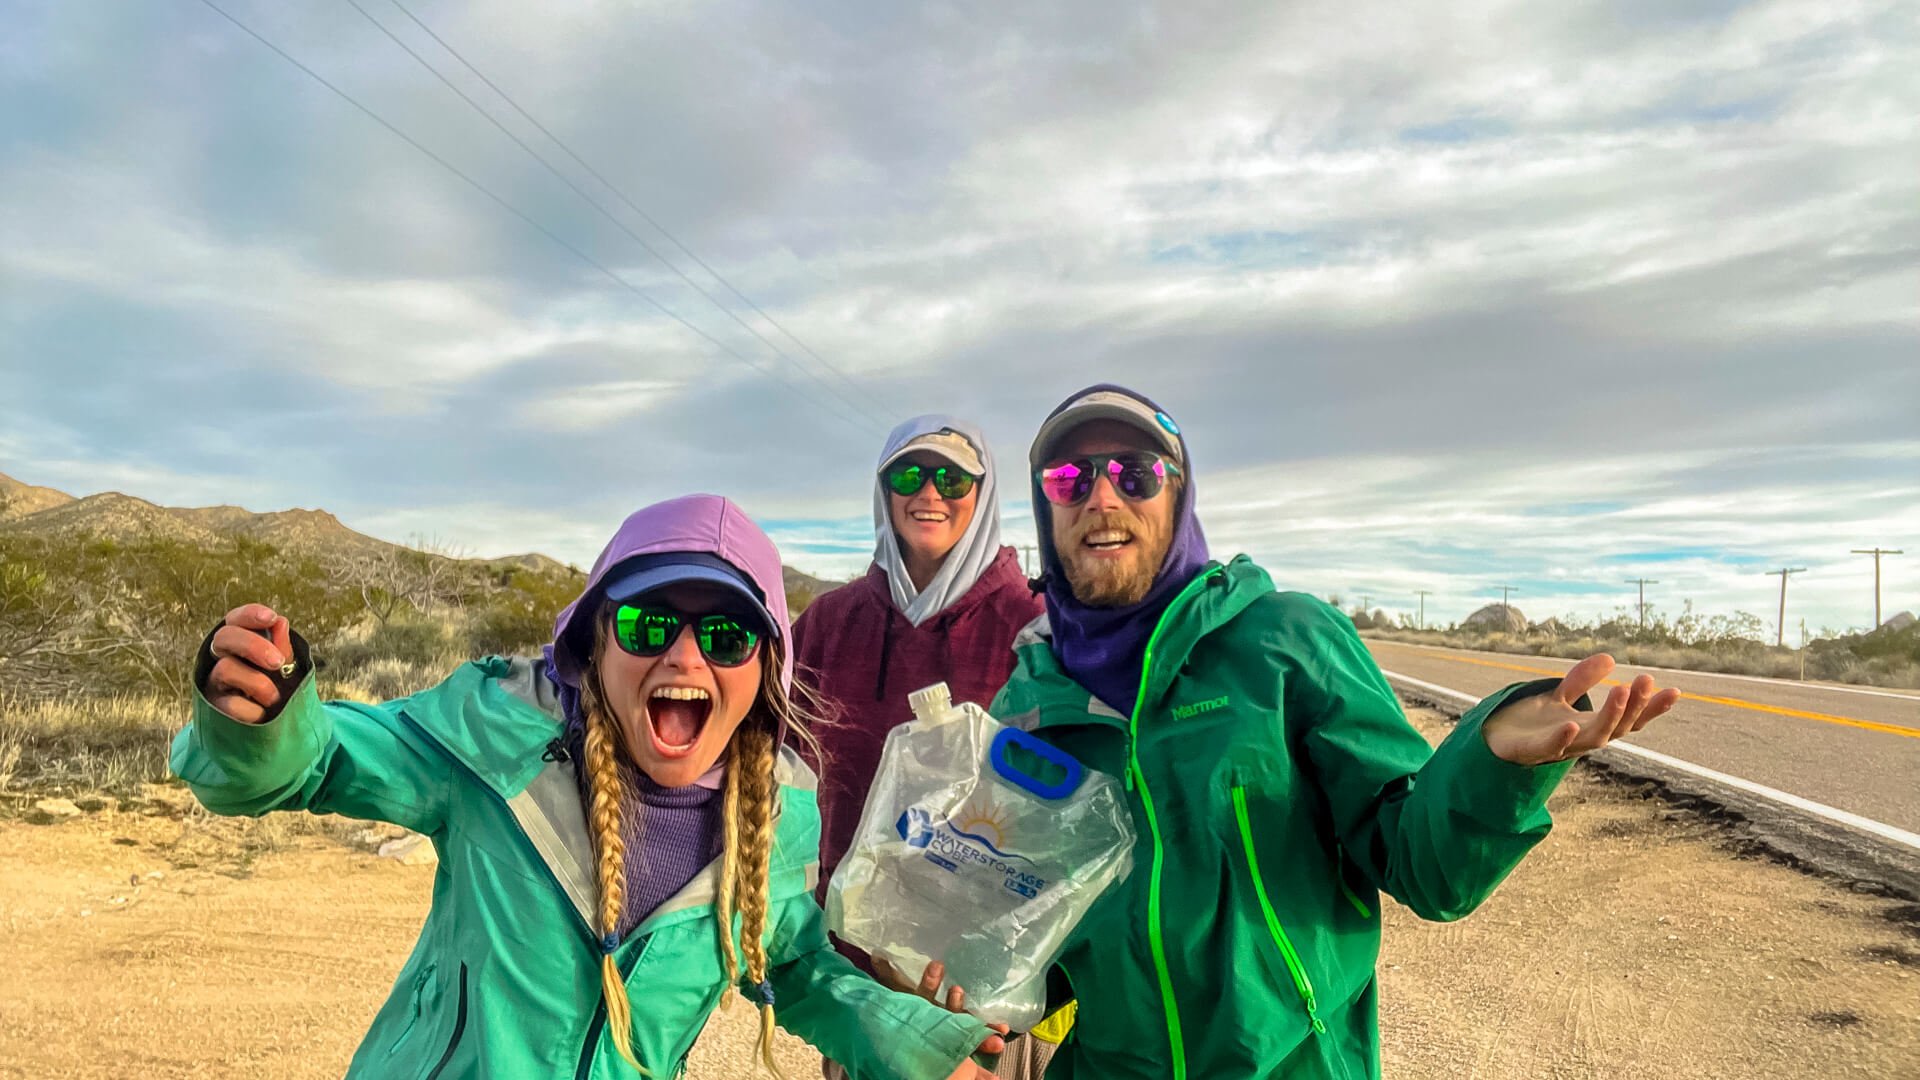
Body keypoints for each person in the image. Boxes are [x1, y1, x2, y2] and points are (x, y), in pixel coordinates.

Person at [977, 384, 1682, 1079]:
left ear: (1179, 496)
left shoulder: (1285, 642)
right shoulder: (1030, 705)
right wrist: (961, 986)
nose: (1102, 498)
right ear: (1046, 508)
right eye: (1069, 479)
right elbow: (1032, 938)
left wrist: (1492, 762)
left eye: (1136, 474)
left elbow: (1427, 871)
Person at [171, 494, 1005, 1079]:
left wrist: (912, 1042)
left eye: (726, 635)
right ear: (595, 644)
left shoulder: (777, 813)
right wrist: (263, 719)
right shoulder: (492, 740)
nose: (684, 656)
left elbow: (790, 964)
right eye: (648, 624)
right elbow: (320, 759)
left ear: (767, 668)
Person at [792, 416, 1054, 1079]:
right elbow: (766, 751)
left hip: (983, 988)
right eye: (908, 475)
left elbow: (1063, 811)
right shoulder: (830, 623)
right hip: (860, 974)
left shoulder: (1034, 629)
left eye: (953, 478)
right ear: (882, 491)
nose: (929, 493)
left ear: (983, 493)